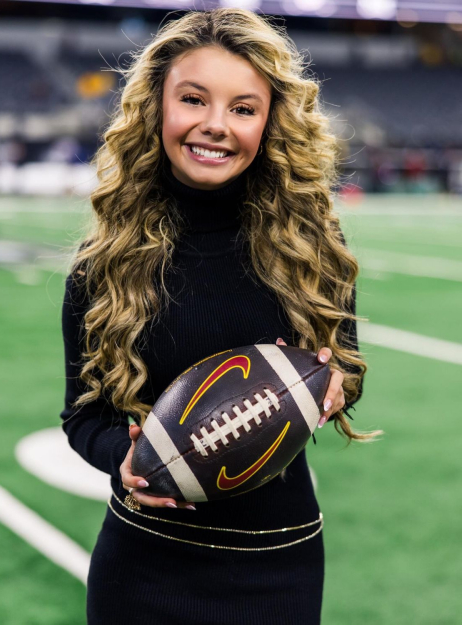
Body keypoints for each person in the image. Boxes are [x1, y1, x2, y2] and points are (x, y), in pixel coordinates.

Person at [59, 8, 383, 624]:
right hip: (142, 565)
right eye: (193, 99)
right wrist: (123, 460)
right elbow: (83, 415)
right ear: (157, 107)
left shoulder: (311, 246)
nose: (215, 125)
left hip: (276, 564)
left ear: (269, 122)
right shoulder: (104, 261)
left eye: (242, 108)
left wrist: (334, 389)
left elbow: (343, 371)